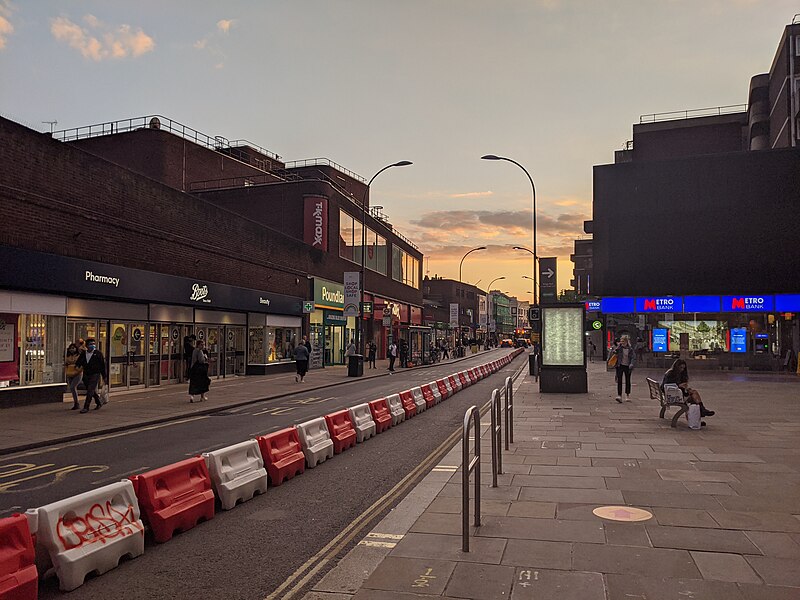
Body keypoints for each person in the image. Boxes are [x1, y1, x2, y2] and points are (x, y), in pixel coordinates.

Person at [75, 337, 107, 413]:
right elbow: (79, 362)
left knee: (90, 390)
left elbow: (102, 366)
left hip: (95, 374)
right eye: (90, 344)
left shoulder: (98, 354)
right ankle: (98, 401)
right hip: (86, 374)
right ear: (86, 346)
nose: (92, 345)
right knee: (90, 390)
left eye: (93, 344)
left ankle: (86, 406)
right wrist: (77, 366)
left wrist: (104, 376)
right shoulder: (84, 353)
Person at [612, 335, 636, 403]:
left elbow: (633, 357)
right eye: (621, 341)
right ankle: (619, 395)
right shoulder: (619, 348)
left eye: (623, 341)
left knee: (628, 380)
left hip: (628, 366)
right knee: (619, 380)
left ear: (626, 342)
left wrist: (631, 364)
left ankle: (627, 395)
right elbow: (614, 352)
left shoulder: (630, 349)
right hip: (620, 365)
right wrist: (618, 347)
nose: (622, 343)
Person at [64, 342, 83, 410]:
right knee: (72, 388)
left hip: (77, 373)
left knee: (72, 387)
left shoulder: (79, 355)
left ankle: (76, 403)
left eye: (73, 348)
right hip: (69, 373)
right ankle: (76, 403)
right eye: (70, 348)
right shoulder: (67, 355)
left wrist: (78, 370)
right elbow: (65, 364)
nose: (72, 350)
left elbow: (81, 365)